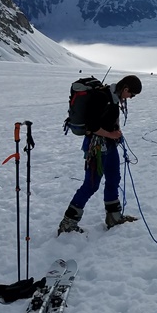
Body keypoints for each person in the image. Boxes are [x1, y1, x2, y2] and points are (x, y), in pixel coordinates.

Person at [57, 75, 143, 234]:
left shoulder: (114, 97)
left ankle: (114, 216)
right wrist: (111, 135)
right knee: (91, 185)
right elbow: (92, 126)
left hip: (108, 146)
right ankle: (67, 224)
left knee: (114, 178)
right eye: (132, 94)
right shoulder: (101, 97)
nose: (131, 98)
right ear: (125, 89)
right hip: (95, 147)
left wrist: (114, 131)